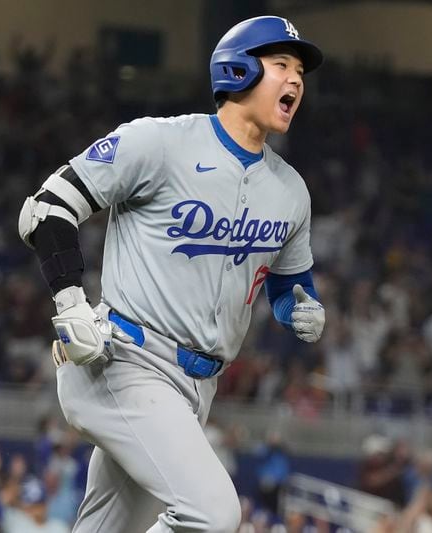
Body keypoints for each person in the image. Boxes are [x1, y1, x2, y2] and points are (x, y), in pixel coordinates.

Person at [18, 15, 326, 532]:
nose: (296, 79)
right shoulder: (160, 143)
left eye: (300, 70)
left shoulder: (291, 191)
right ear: (239, 70)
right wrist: (70, 302)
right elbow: (46, 209)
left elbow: (286, 285)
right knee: (213, 516)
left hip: (195, 389)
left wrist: (299, 307)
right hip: (123, 360)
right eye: (280, 65)